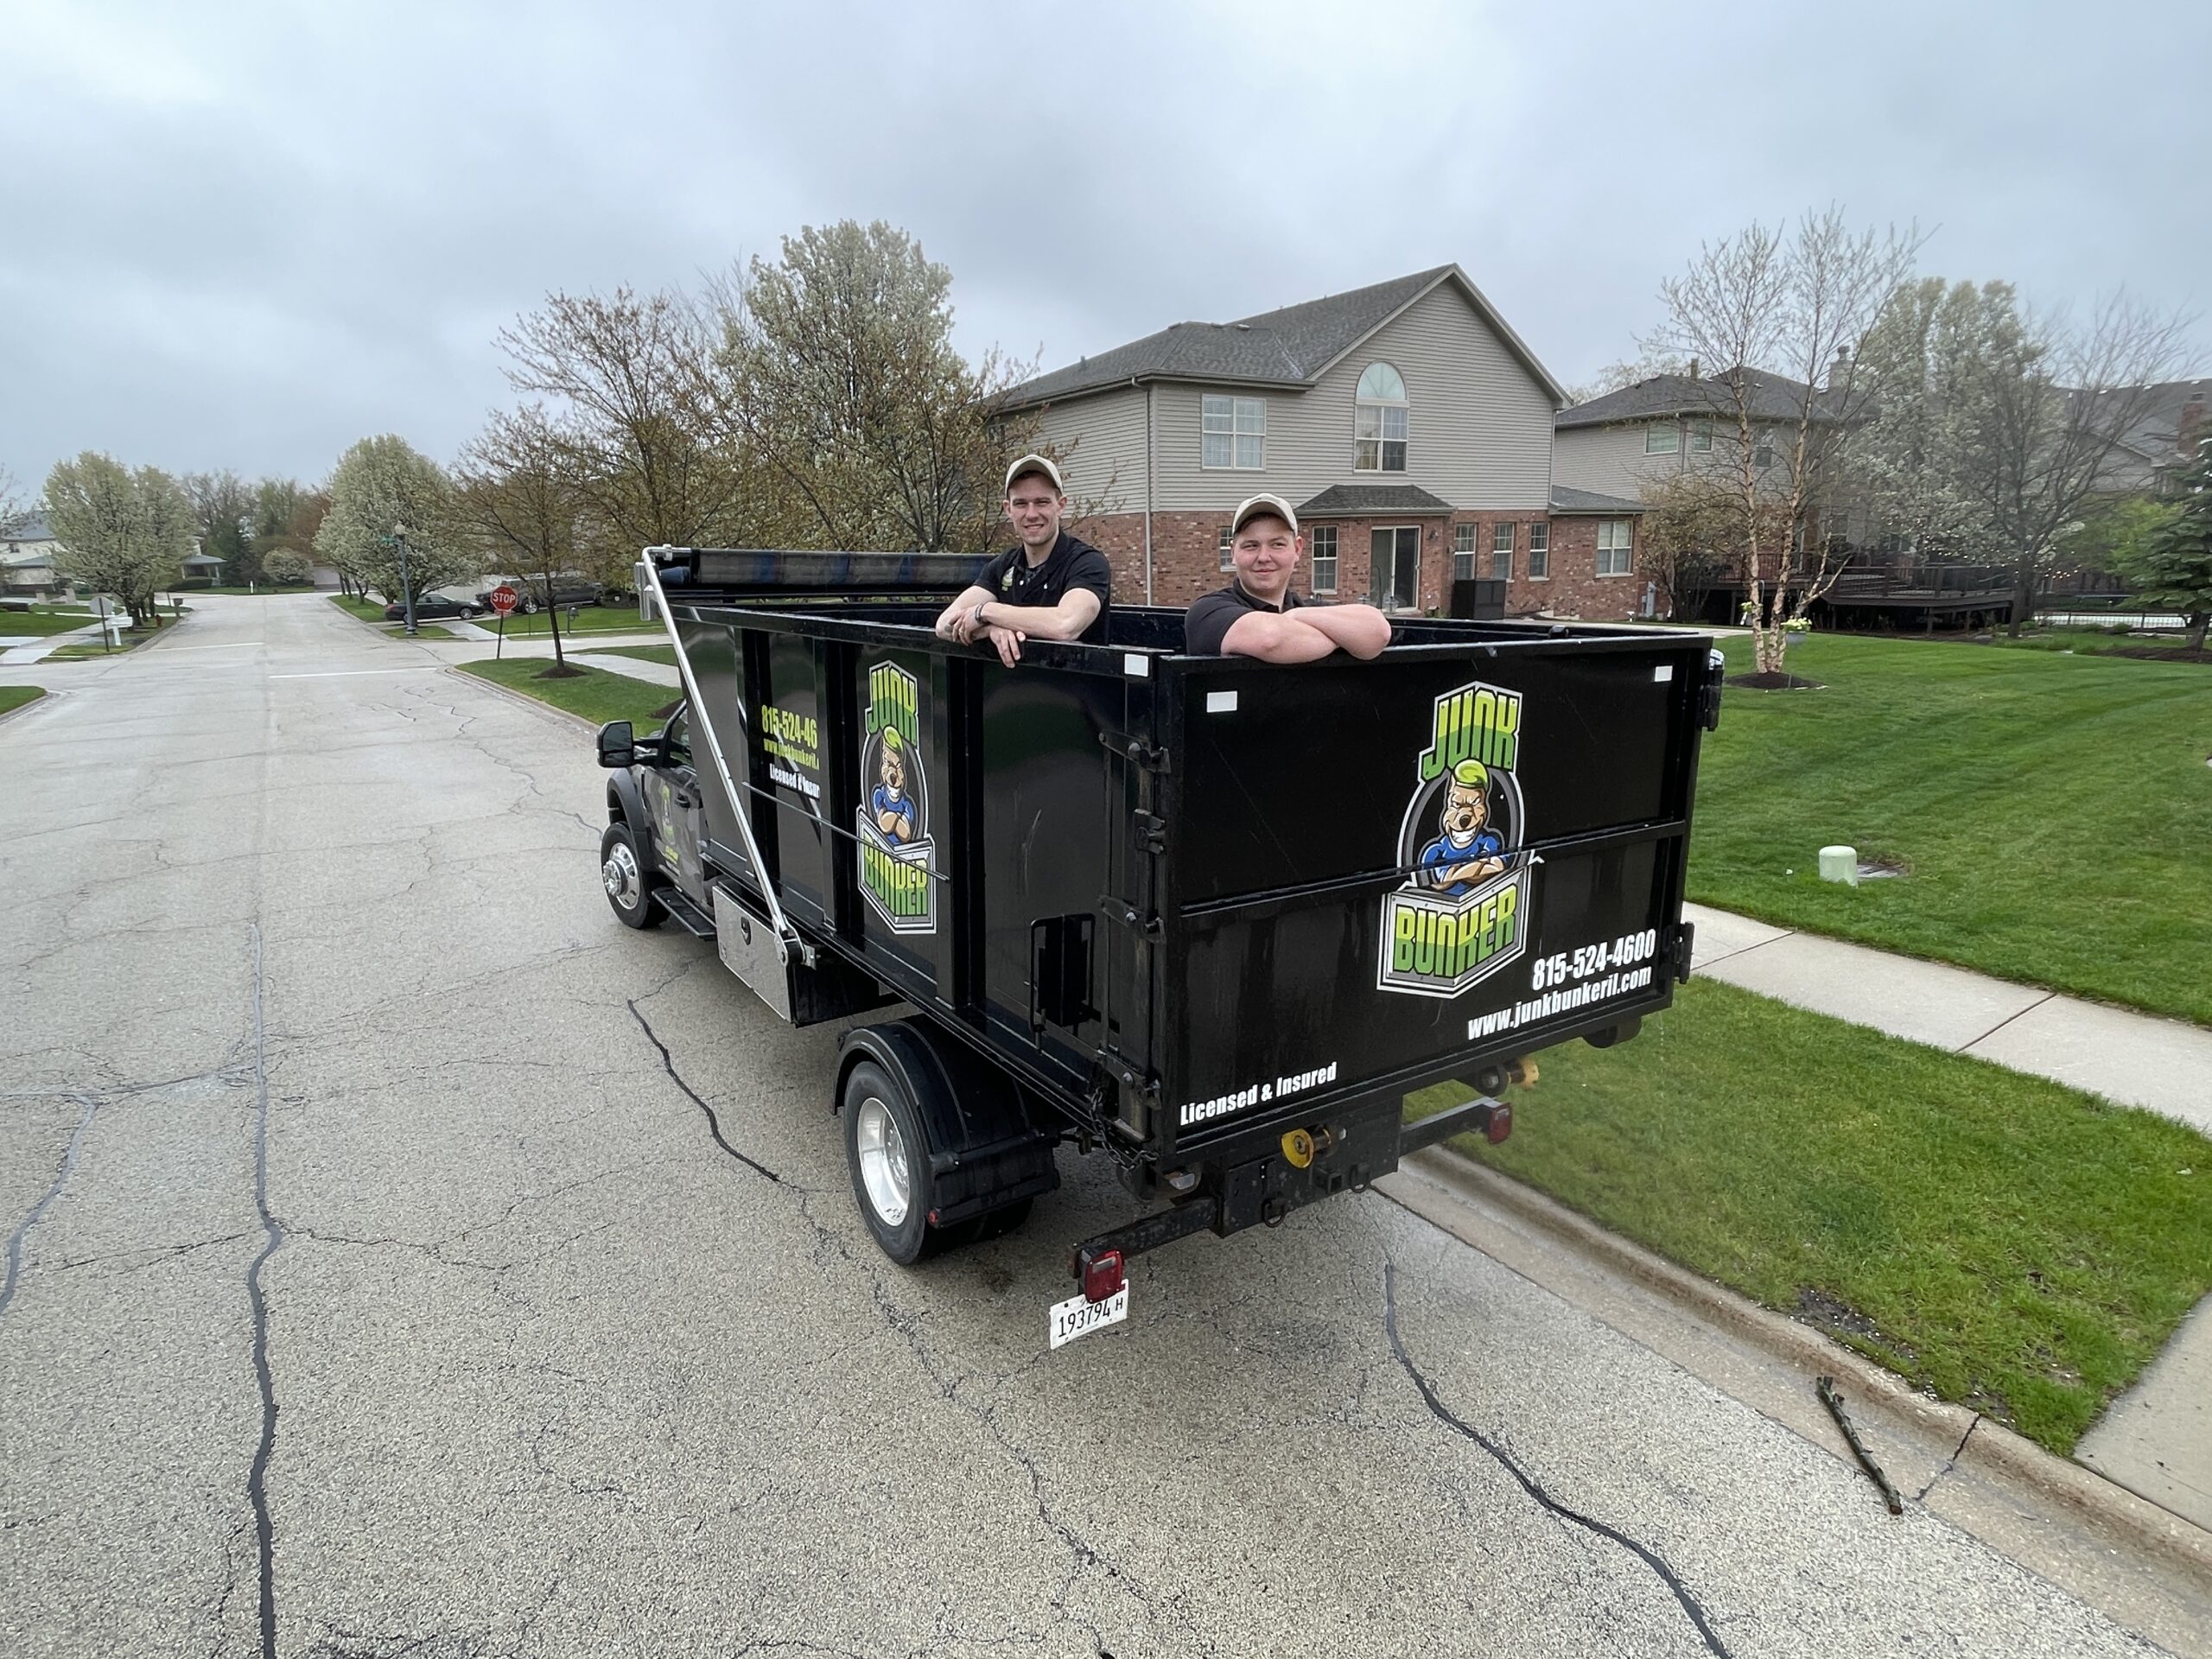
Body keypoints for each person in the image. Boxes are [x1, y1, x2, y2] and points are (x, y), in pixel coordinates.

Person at [934, 454, 1111, 666]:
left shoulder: (1087, 563)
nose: (1031, 514)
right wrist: (990, 629)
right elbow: (943, 624)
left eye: (1042, 502)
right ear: (1008, 509)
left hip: (1082, 696)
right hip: (1012, 695)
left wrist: (986, 612)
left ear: (1061, 505)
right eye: (1021, 504)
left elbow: (1065, 625)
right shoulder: (1002, 567)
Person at [1184, 495, 1392, 661]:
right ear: (1233, 553)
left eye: (1277, 544)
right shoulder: (1208, 612)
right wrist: (1346, 638)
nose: (1264, 557)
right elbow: (1271, 639)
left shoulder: (1307, 610)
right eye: (1251, 546)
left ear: (1297, 549)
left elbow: (1378, 631)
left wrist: (1294, 617)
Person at [1416, 760, 1507, 896]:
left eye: (1475, 803)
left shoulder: (1489, 841)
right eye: (1457, 804)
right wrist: (1480, 863)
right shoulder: (1435, 851)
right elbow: (1441, 882)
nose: (1466, 816)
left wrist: (1456, 869)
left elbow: (1498, 867)